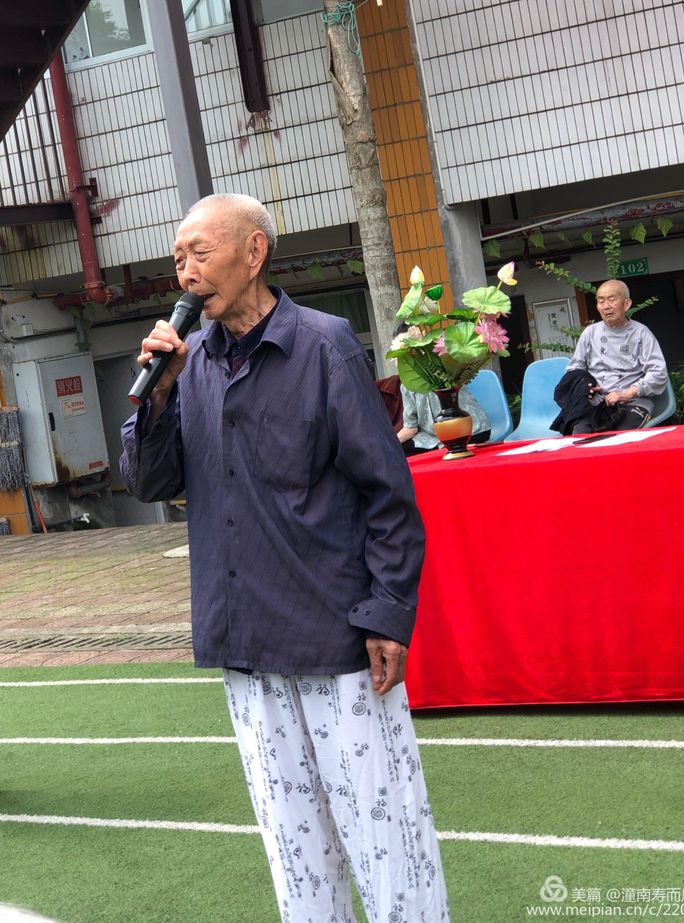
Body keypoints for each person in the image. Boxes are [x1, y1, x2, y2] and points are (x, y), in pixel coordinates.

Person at [119, 193, 450, 923]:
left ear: (254, 252)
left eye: (200, 252)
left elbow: (387, 492)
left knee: (386, 833)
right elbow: (147, 482)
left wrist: (387, 613)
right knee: (294, 846)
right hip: (244, 638)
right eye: (177, 258)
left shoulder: (324, 344)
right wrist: (157, 398)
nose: (185, 271)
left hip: (334, 635)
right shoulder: (188, 364)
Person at [552, 278, 668, 435]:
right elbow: (575, 369)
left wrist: (626, 393)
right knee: (580, 436)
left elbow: (659, 373)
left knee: (617, 439)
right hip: (597, 404)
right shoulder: (590, 333)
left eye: (611, 300)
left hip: (632, 403)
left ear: (626, 304)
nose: (606, 306)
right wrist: (586, 385)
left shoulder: (642, 333)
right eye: (601, 301)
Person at [397, 385, 491, 454]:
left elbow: (410, 429)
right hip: (475, 429)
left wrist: (390, 445)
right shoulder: (406, 386)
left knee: (398, 452)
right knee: (401, 450)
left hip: (470, 432)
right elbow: (411, 429)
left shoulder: (408, 384)